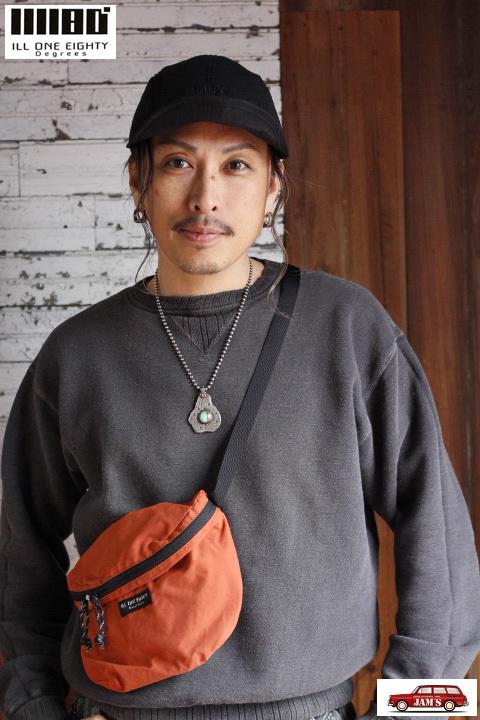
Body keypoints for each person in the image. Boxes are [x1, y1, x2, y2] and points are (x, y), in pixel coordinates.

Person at [0, 54, 479, 720]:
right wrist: (34, 707)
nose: (206, 197)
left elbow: (442, 545)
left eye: (237, 165)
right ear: (138, 181)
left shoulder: (347, 327)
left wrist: (408, 714)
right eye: (178, 163)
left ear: (274, 186)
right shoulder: (76, 355)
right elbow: (19, 557)